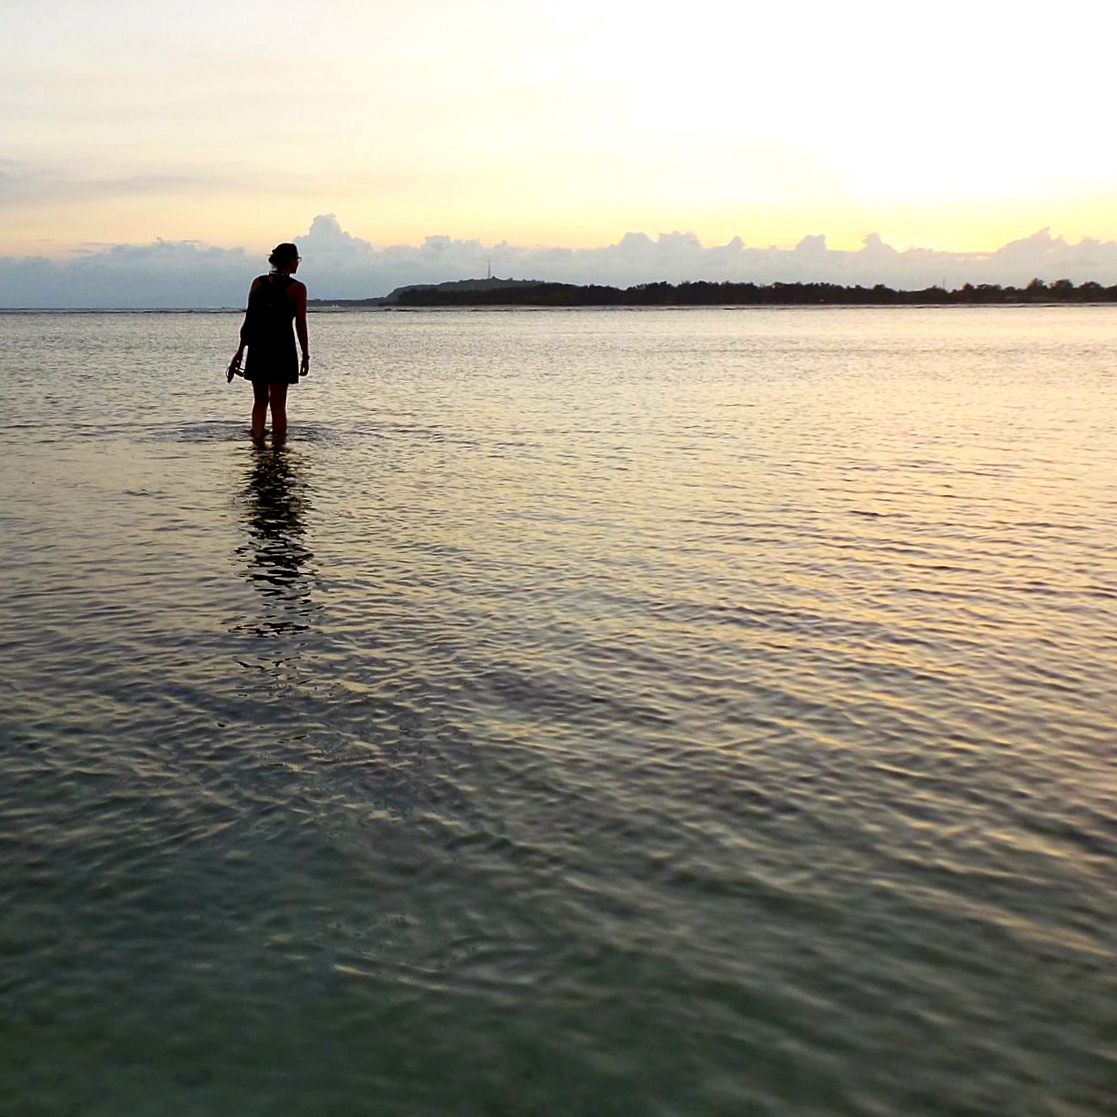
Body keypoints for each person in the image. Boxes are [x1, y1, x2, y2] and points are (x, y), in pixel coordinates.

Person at [228, 243, 310, 441]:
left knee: (260, 402)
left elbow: (249, 321)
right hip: (282, 348)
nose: (297, 263)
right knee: (278, 404)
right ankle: (279, 449)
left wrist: (240, 352)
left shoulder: (258, 283)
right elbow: (300, 324)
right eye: (297, 259)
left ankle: (257, 443)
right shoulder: (297, 288)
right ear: (290, 261)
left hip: (258, 347)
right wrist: (305, 355)